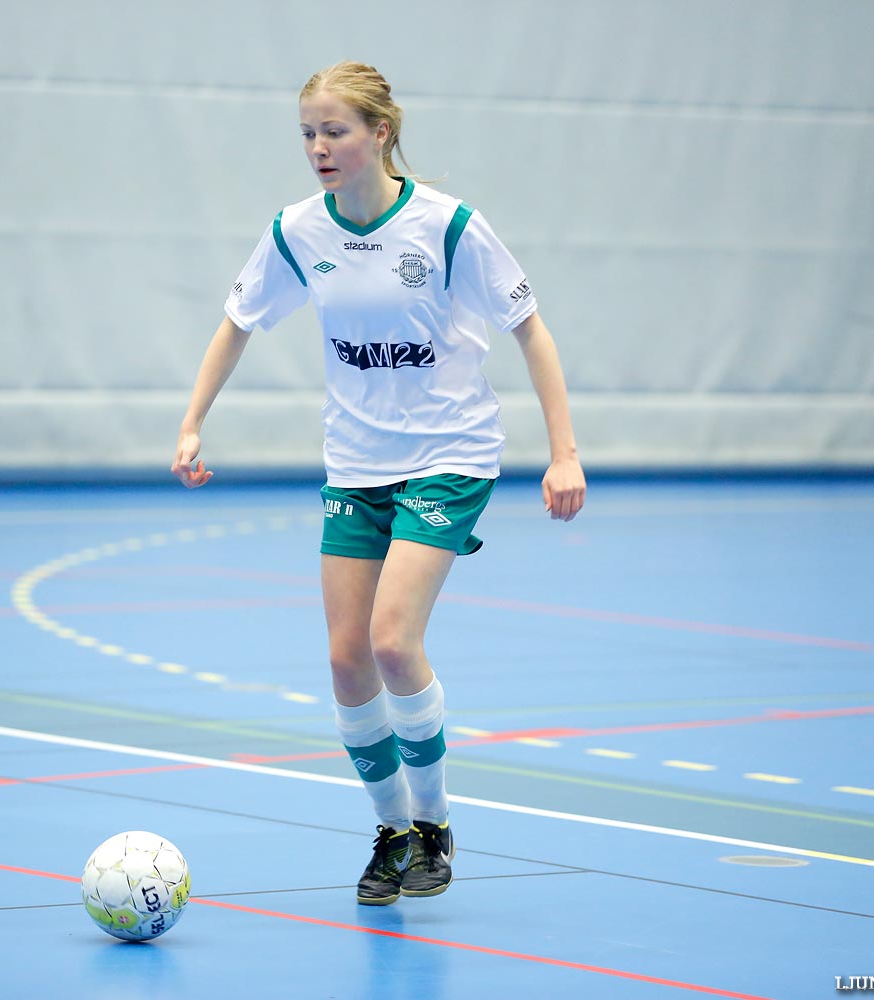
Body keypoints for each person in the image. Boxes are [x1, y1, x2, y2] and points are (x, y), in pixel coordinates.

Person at [172, 60, 585, 905]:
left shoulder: (448, 226)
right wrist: (191, 422)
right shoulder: (297, 231)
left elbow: (530, 331)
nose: (319, 148)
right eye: (309, 134)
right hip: (356, 464)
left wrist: (564, 451)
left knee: (395, 641)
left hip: (449, 453)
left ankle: (434, 822)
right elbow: (237, 321)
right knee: (346, 659)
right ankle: (391, 831)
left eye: (335, 131)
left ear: (380, 133)